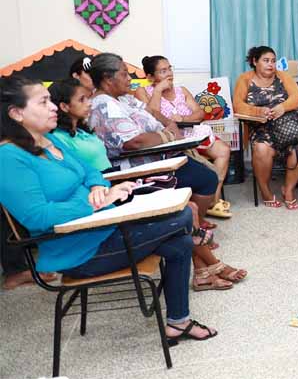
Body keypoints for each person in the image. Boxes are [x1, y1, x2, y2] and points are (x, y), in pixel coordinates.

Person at [0, 75, 216, 341]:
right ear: (16, 113)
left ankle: (178, 322)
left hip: (104, 227)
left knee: (180, 242)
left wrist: (96, 187)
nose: (53, 107)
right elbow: (37, 216)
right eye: (43, 102)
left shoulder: (47, 141)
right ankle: (196, 238)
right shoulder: (8, 158)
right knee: (182, 216)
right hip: (78, 252)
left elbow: (91, 170)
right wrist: (98, 200)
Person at [48, 78, 246, 289]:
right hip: (106, 192)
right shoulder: (59, 140)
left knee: (192, 203)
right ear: (64, 106)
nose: (89, 102)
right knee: (188, 208)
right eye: (82, 99)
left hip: (114, 184)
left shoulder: (82, 131)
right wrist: (102, 186)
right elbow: (83, 175)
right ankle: (211, 267)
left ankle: (202, 271)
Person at [85, 53, 220, 229]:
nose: (129, 78)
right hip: (137, 168)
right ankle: (192, 227)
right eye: (124, 74)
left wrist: (170, 124)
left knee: (205, 173)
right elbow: (135, 142)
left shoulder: (123, 98)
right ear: (107, 79)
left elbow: (151, 111)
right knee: (205, 178)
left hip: (157, 153)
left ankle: (192, 224)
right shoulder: (104, 105)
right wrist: (169, 136)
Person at [135, 55, 233, 219]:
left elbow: (200, 113)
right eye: (163, 71)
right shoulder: (143, 92)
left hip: (193, 133)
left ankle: (213, 200)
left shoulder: (181, 90)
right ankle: (205, 199)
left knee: (223, 150)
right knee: (201, 166)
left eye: (170, 69)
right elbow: (150, 116)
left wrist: (184, 119)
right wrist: (158, 90)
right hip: (171, 140)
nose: (169, 74)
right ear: (150, 77)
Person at [233, 46, 298, 209]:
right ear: (255, 62)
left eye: (273, 61)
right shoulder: (245, 79)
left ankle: (288, 189)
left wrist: (281, 107)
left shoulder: (283, 77)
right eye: (266, 60)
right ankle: (265, 191)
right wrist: (259, 111)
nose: (271, 64)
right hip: (260, 128)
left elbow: (296, 98)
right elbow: (238, 105)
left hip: (286, 126)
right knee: (262, 149)